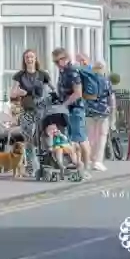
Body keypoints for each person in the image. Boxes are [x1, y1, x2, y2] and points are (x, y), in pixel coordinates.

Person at [10, 50, 52, 169]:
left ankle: (47, 162)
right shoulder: (20, 75)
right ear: (24, 60)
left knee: (44, 136)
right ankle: (31, 166)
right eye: (27, 57)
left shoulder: (43, 74)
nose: (29, 59)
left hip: (41, 110)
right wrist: (18, 92)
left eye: (31, 57)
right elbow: (12, 93)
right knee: (28, 138)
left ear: (35, 58)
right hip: (26, 109)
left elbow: (51, 90)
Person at [53, 48, 91, 179]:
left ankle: (86, 168)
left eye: (59, 61)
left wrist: (64, 104)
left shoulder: (73, 71)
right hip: (67, 109)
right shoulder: (62, 72)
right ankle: (77, 166)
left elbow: (78, 93)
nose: (57, 64)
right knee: (71, 140)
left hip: (76, 109)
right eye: (55, 62)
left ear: (66, 58)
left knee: (81, 139)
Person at [85, 59, 116, 172]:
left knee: (90, 137)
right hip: (103, 112)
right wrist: (112, 115)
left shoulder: (88, 80)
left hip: (89, 112)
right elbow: (111, 99)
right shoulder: (106, 81)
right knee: (101, 136)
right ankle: (97, 161)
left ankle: (88, 159)